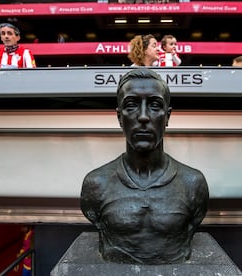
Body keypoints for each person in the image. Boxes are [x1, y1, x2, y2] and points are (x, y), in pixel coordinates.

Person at [81, 68, 209, 265]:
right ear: (119, 117)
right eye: (131, 105)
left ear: (167, 116)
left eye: (154, 105)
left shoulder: (193, 183)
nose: (143, 117)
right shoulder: (95, 184)